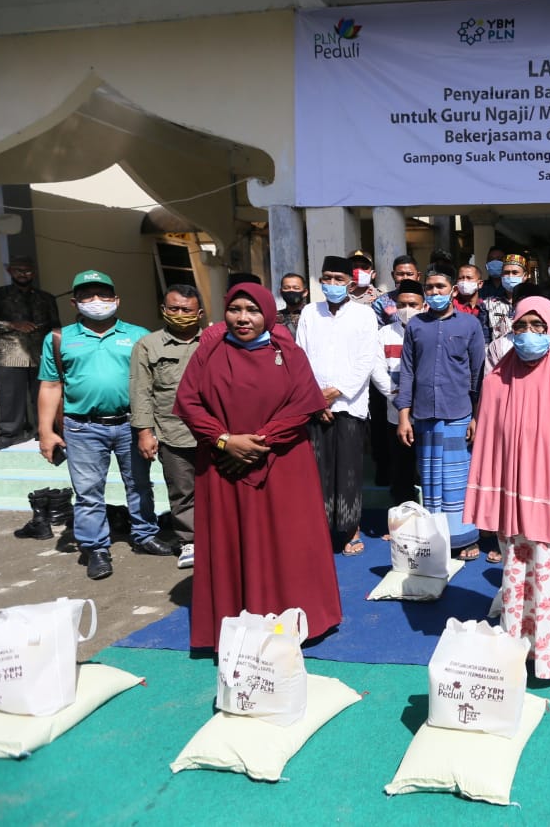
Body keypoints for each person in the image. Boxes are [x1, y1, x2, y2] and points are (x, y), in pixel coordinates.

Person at [174, 283, 342, 648]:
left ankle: (295, 619)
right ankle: (238, 622)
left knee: (288, 542)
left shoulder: (288, 352)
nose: (243, 318)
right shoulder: (209, 352)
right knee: (232, 542)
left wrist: (259, 442)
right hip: (222, 464)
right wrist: (225, 441)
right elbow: (188, 402)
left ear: (267, 312)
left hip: (283, 464)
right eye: (235, 309)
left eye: (252, 310)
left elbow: (303, 404)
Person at [464, 296, 550, 685]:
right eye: (521, 326)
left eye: (538, 326)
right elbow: (490, 447)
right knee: (519, 565)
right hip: (515, 501)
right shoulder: (496, 381)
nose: (528, 335)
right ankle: (520, 642)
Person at [37, 270, 164, 580]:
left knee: (139, 484)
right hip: (82, 427)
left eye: (103, 294)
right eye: (87, 295)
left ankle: (145, 534)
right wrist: (46, 431)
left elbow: (154, 384)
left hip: (131, 424)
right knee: (88, 491)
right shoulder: (59, 339)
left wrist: (152, 427)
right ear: (74, 302)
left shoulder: (138, 335)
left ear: (116, 300)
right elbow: (51, 386)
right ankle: (96, 548)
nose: (96, 300)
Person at [397, 263, 486, 558]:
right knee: (430, 479)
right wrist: (404, 417)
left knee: (457, 480)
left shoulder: (470, 325)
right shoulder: (416, 326)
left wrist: (476, 416)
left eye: (441, 287)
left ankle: (465, 539)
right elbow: (407, 372)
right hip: (424, 416)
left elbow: (478, 374)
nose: (435, 292)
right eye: (430, 288)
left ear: (453, 291)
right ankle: (436, 540)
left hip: (459, 413)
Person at [296, 254, 377, 555]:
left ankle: (350, 528)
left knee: (348, 470)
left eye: (338, 279)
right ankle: (318, 529)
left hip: (350, 405)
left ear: (350, 284)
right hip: (314, 407)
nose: (332, 283)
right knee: (317, 471)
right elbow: (300, 357)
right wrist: (316, 399)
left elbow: (366, 360)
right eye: (327, 278)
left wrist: (337, 393)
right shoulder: (309, 312)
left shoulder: (364, 315)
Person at [130, 284, 205, 569]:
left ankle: (219, 538)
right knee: (182, 490)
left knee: (219, 489)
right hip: (172, 432)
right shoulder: (147, 345)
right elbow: (141, 391)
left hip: (214, 432)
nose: (180, 314)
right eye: (174, 309)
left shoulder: (214, 341)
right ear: (163, 310)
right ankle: (190, 541)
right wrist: (144, 432)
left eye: (186, 310)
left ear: (199, 313)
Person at [0, 254, 59, 449]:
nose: (23, 274)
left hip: (41, 354)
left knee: (44, 396)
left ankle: (45, 432)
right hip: (9, 354)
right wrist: (11, 325)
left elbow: (56, 326)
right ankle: (9, 435)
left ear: (34, 273)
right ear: (9, 271)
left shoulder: (46, 298)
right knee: (10, 397)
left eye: (28, 270)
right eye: (18, 270)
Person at [372, 279, 425, 507]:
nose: (407, 310)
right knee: (401, 469)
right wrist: (397, 397)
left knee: (427, 469)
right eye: (402, 305)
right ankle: (403, 517)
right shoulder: (384, 333)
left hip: (425, 413)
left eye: (413, 305)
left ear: (424, 305)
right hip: (395, 413)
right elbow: (376, 369)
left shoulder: (431, 331)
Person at [480, 253, 526, 342]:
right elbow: (485, 335)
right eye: (506, 273)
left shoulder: (534, 303)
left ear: (525, 276)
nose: (510, 276)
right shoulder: (488, 303)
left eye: (515, 273)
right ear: (501, 276)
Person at [375, 255, 421, 325]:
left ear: (418, 276)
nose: (405, 278)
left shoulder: (428, 301)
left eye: (410, 274)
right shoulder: (381, 302)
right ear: (393, 275)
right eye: (400, 274)